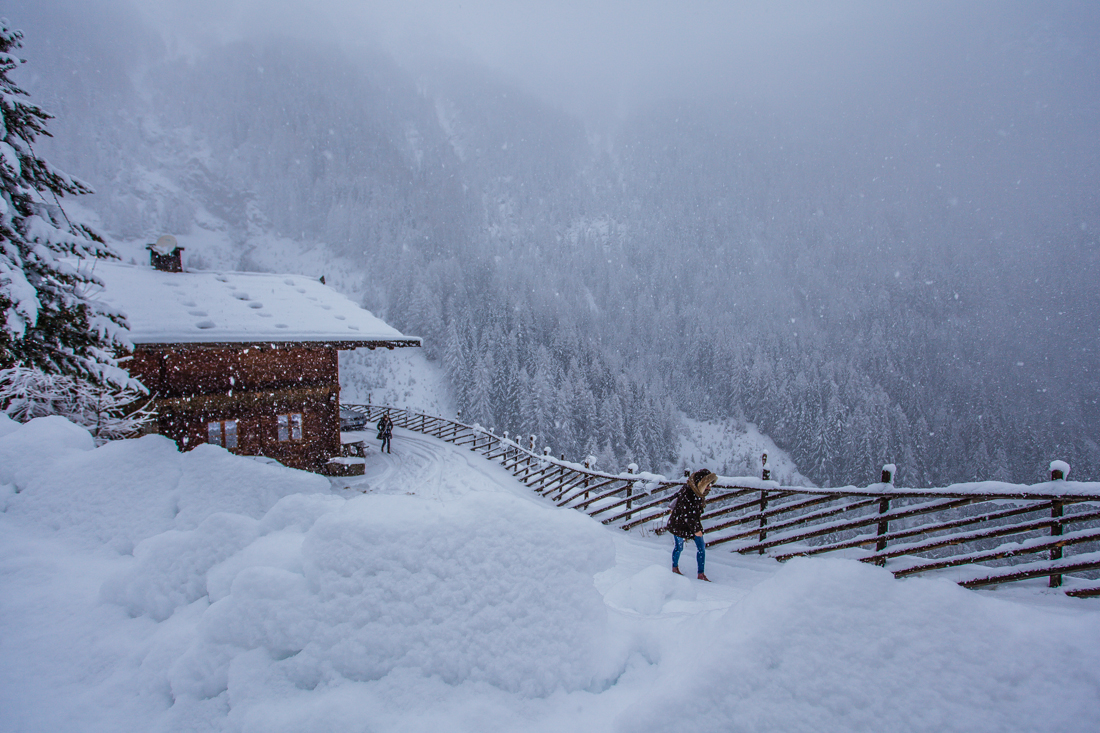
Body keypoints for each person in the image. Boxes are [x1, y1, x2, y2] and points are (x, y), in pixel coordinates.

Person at [666, 468, 717, 581]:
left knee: (700, 547)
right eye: (708, 485)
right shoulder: (689, 492)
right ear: (701, 483)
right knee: (680, 547)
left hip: (689, 523)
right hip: (679, 524)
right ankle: (675, 568)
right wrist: (696, 530)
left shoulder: (696, 490)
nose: (709, 487)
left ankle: (700, 573)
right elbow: (688, 515)